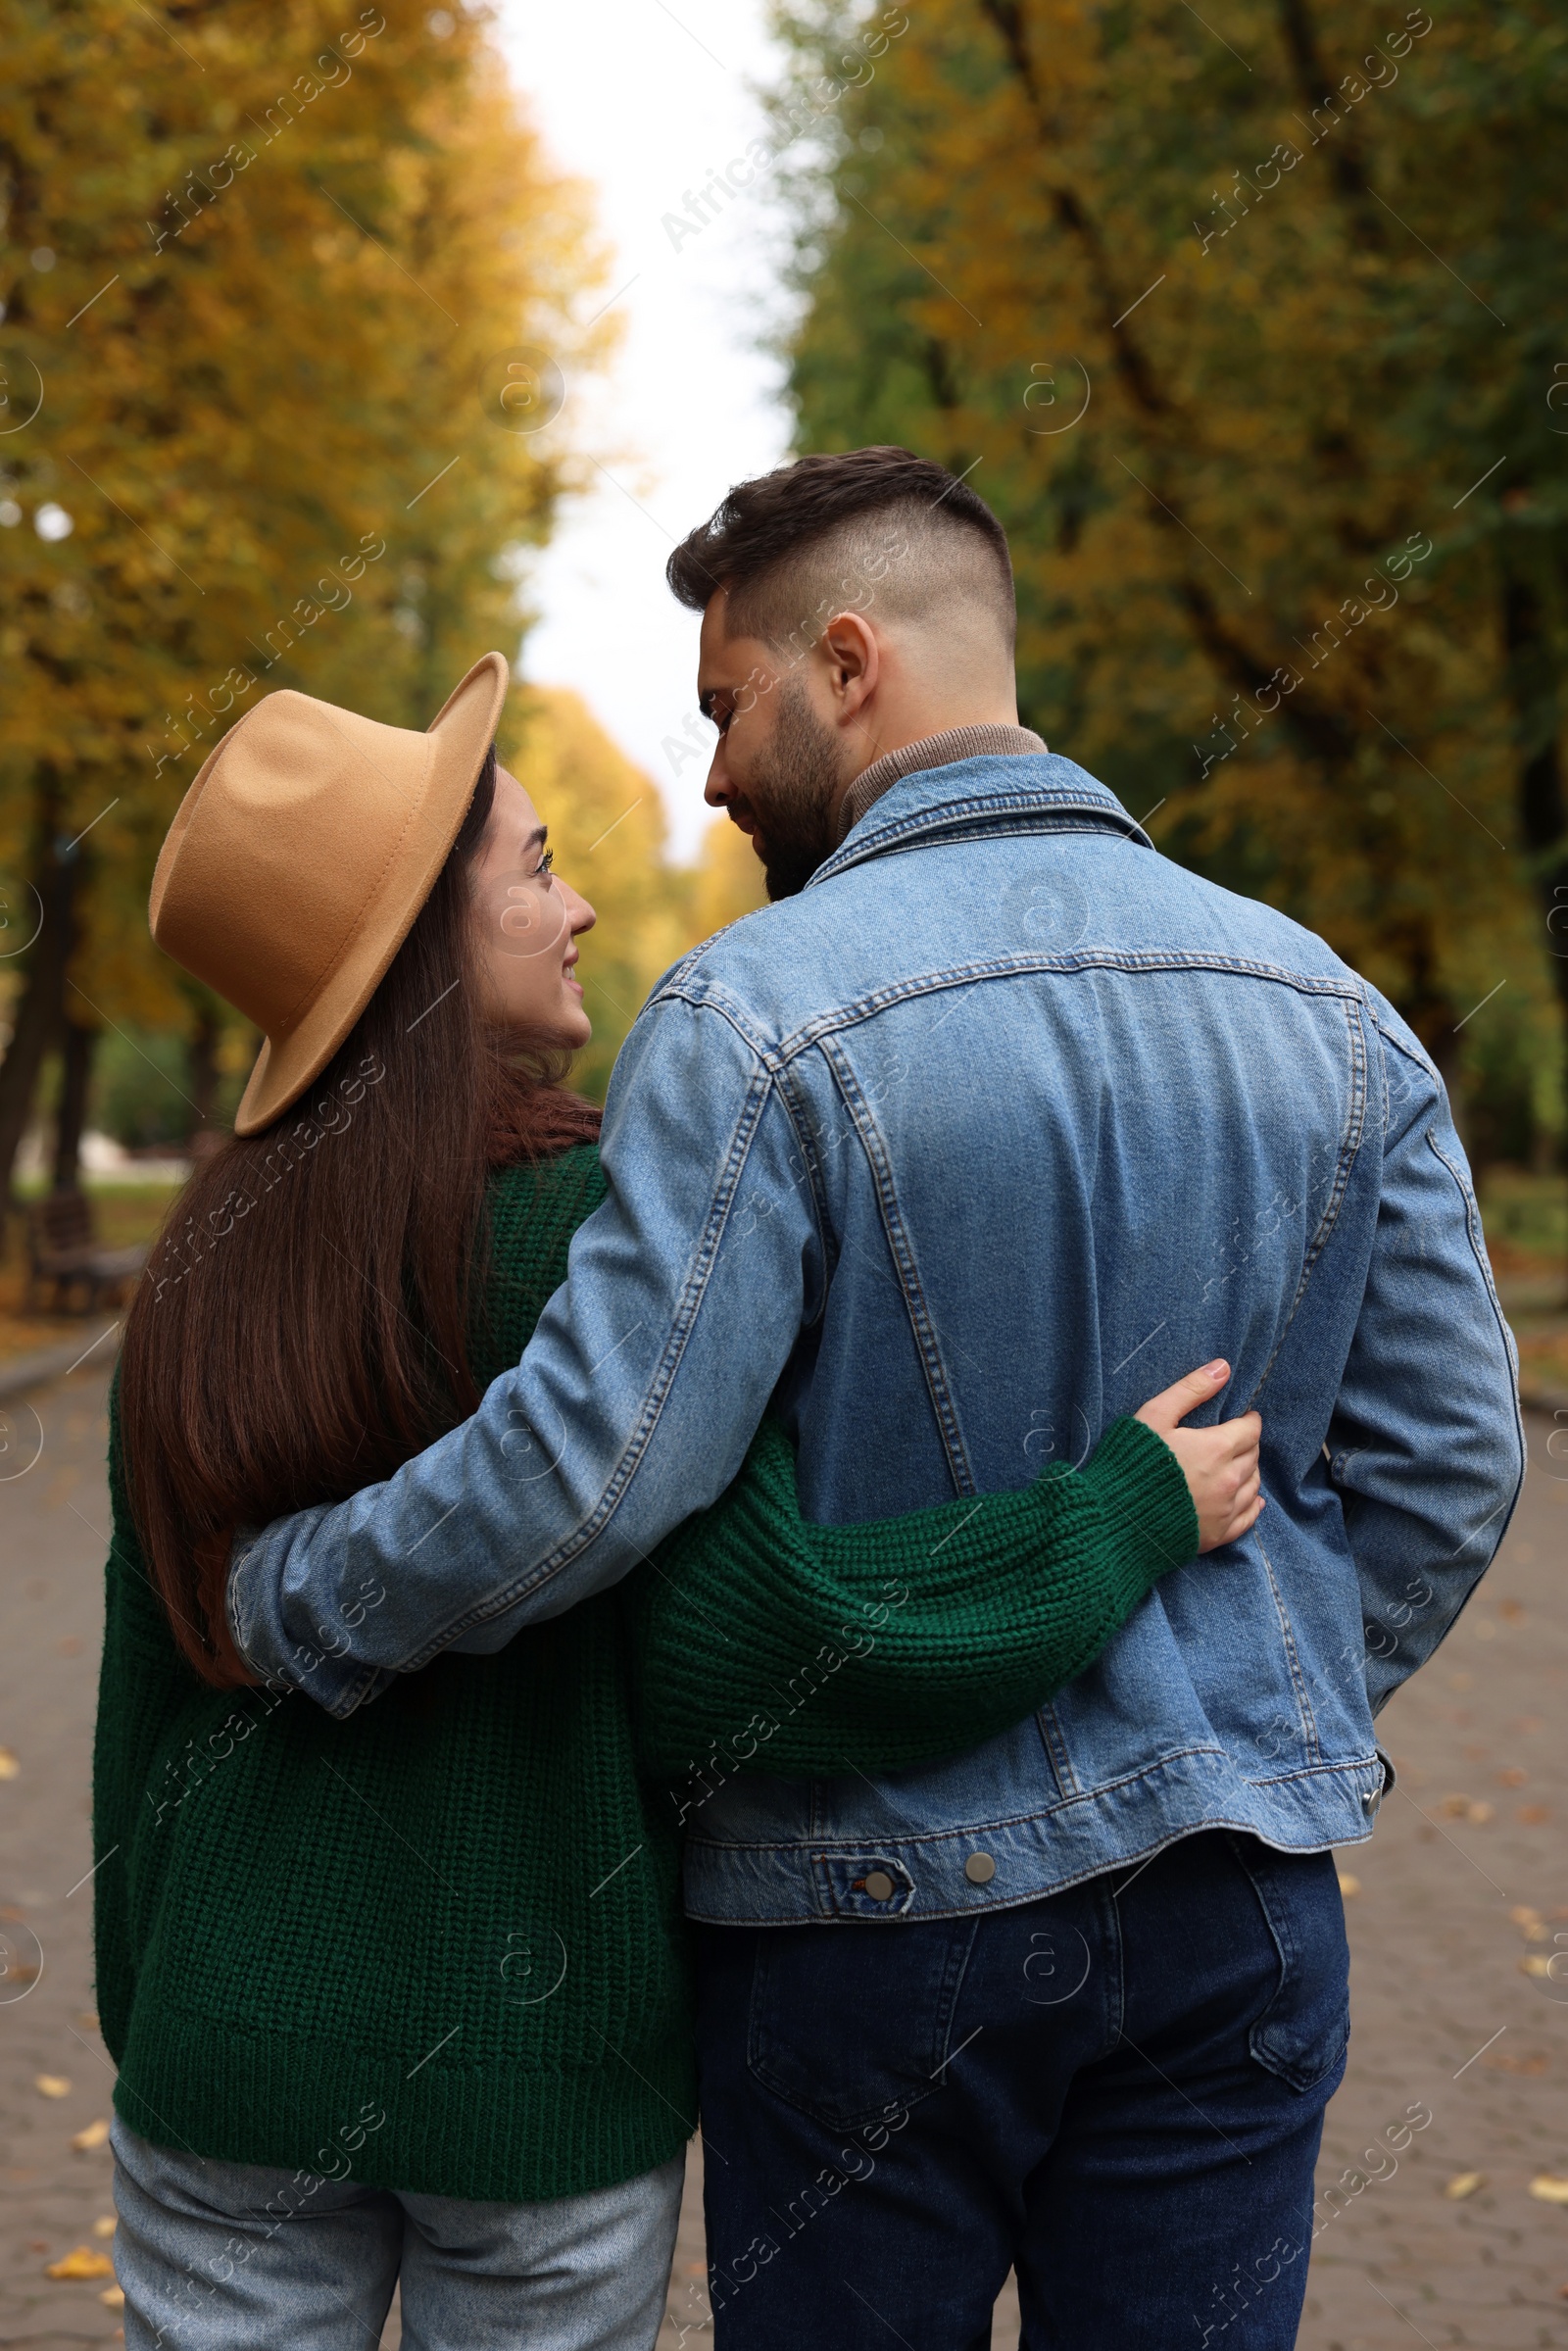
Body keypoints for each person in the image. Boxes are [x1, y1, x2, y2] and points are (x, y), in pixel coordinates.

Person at [223, 449, 1524, 2349]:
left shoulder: (755, 1017)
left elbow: (592, 1474)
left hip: (858, 1922)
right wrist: (1255, 1706)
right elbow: (1451, 1460)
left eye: (724, 706)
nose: (712, 775)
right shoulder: (1328, 1009)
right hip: (1232, 1918)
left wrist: (294, 1600)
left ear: (846, 663)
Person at [94, 651, 1262, 2351]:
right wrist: (1117, 1515)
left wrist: (171, 2008)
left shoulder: (185, 1281)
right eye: (538, 868)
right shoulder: (595, 1247)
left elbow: (142, 1704)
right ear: (427, 939)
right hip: (535, 2080)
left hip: (218, 2060)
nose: (573, 913)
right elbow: (765, 1653)